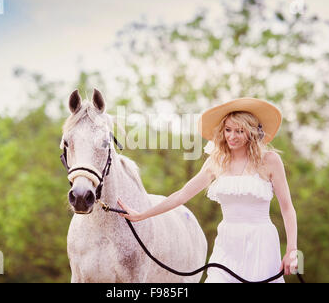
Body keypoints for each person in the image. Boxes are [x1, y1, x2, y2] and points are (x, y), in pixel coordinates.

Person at [117, 97, 298, 283]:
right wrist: (142, 215)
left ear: (251, 132)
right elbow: (182, 195)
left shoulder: (270, 161)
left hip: (261, 243)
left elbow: (287, 209)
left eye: (239, 131)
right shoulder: (217, 161)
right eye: (228, 130)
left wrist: (292, 251)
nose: (232, 136)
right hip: (227, 243)